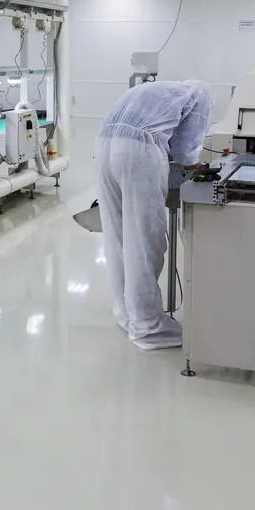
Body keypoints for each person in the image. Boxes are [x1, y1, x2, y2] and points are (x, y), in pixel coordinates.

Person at [96, 80, 213, 351]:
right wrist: (199, 168)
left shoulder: (154, 92)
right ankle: (148, 327)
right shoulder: (201, 96)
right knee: (144, 239)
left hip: (102, 146)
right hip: (137, 153)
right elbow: (186, 151)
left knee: (117, 237)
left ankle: (126, 314)